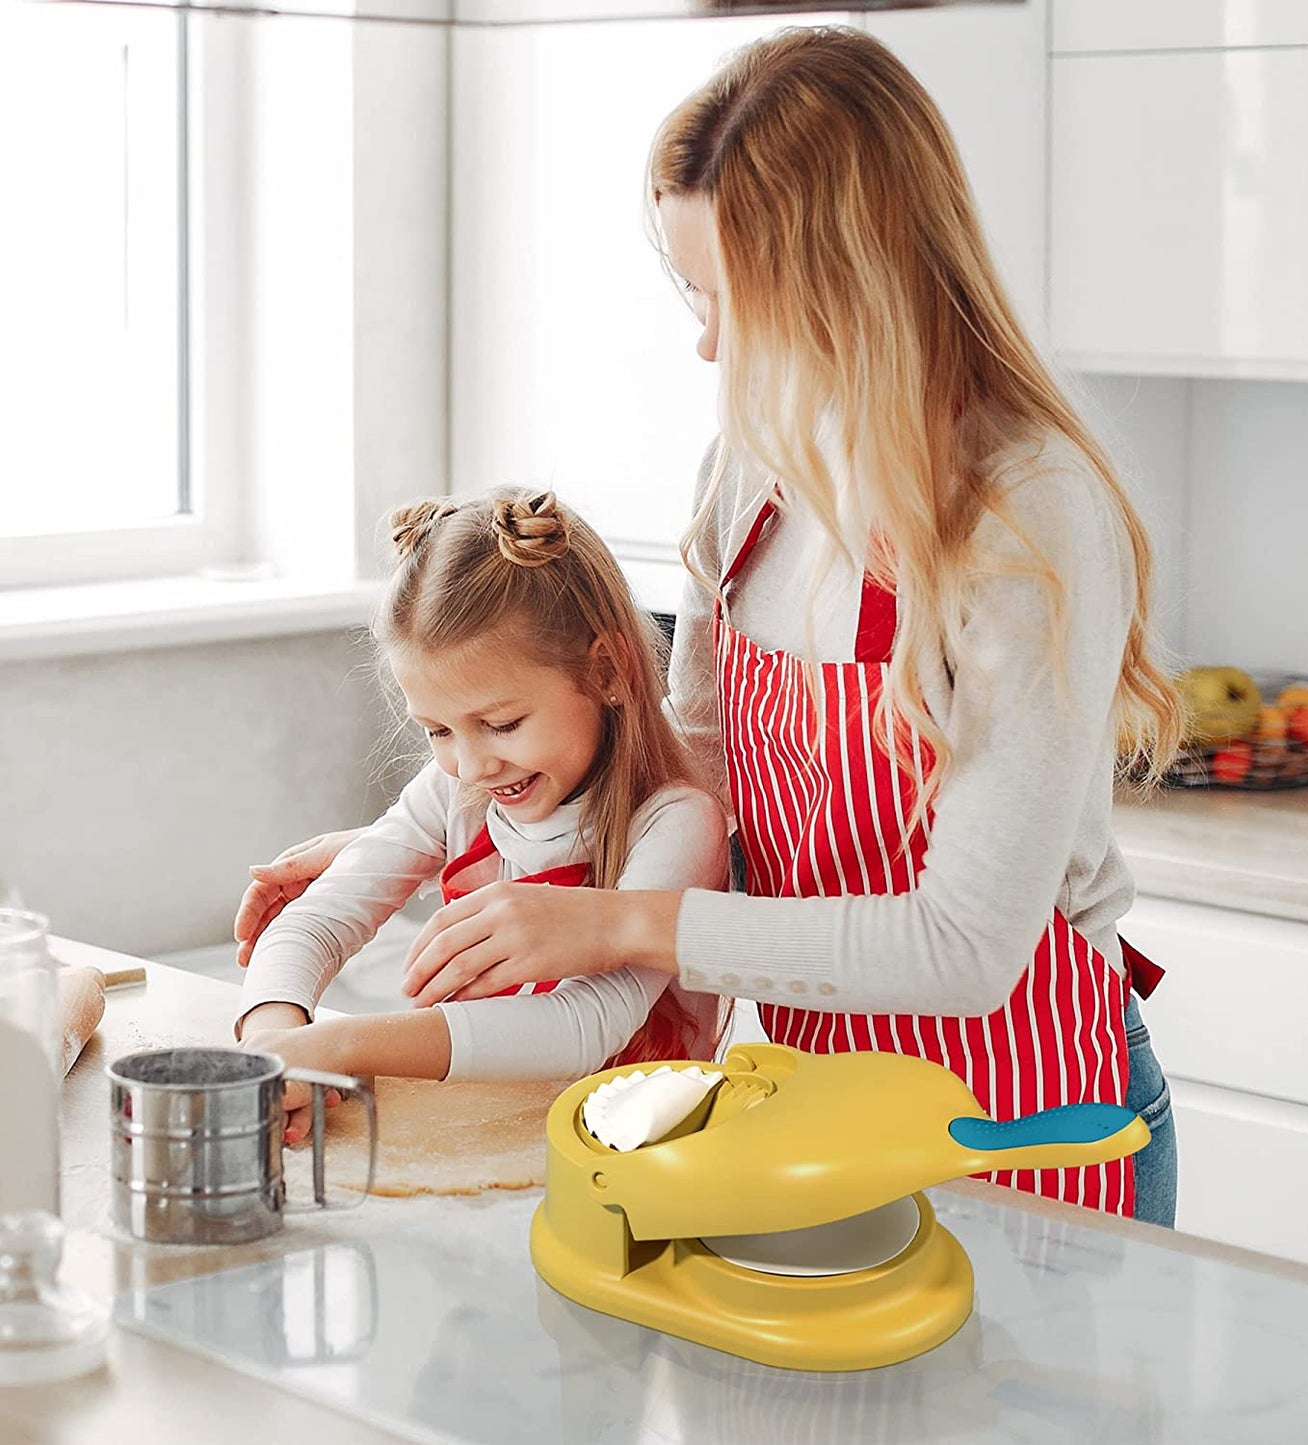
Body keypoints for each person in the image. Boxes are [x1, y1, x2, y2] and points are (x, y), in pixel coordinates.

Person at [236, 27, 1180, 1223]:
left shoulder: (1021, 515)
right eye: (695, 293)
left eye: (740, 298)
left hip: (1025, 1129)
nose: (710, 342)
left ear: (854, 281)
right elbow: (698, 769)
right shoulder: (752, 472)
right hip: (804, 1109)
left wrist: (612, 915)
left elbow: (963, 948)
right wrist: (454, 837)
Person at [234, 488, 729, 1144]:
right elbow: (318, 920)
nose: (469, 764)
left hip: (631, 1150)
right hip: (479, 1128)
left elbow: (588, 1024)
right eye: (437, 730)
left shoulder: (674, 825)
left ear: (608, 670)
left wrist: (341, 1045)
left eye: (500, 724)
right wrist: (274, 1043)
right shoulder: (453, 793)